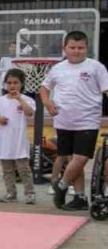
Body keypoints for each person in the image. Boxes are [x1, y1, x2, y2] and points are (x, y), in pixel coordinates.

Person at [40, 30, 108, 211]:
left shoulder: (96, 67)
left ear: (87, 48)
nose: (76, 51)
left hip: (87, 120)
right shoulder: (58, 68)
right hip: (63, 121)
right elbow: (44, 88)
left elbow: (106, 90)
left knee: (81, 158)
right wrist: (47, 102)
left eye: (81, 48)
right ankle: (80, 198)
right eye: (73, 47)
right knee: (71, 160)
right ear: (65, 48)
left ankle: (61, 186)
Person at [0, 68, 36, 204]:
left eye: (15, 83)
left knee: (24, 169)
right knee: (7, 170)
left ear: (21, 84)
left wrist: (20, 99)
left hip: (19, 141)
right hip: (4, 140)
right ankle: (11, 193)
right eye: (9, 83)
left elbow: (30, 113)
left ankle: (30, 193)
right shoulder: (0, 100)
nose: (12, 86)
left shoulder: (27, 100)